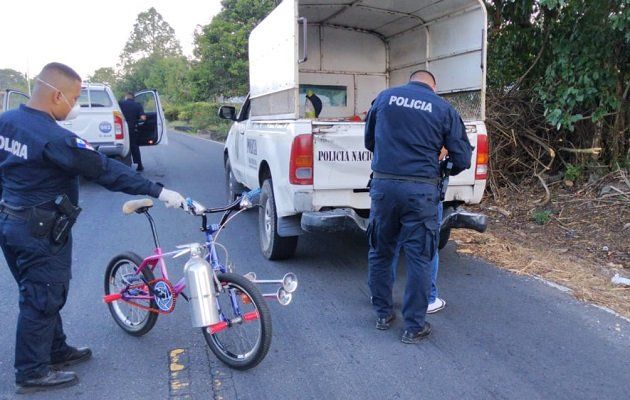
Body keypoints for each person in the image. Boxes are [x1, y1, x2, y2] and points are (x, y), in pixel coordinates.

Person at [0, 62, 186, 394]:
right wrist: (158, 191)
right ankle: (31, 371)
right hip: (40, 229)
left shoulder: (6, 122)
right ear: (56, 95)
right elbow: (104, 169)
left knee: (39, 291)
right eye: (73, 99)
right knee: (43, 296)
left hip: (12, 221)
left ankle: (54, 349)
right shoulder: (54, 137)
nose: (74, 107)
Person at [364, 70, 471, 344]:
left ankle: (383, 314)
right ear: (433, 87)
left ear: (411, 81)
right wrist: (442, 167)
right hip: (421, 191)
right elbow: (462, 157)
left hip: (384, 187)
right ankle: (413, 326)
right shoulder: (442, 108)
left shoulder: (384, 98)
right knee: (419, 257)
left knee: (381, 250)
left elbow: (369, 141)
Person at [391, 148, 449, 314]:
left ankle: (382, 295)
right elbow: (458, 151)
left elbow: (372, 141)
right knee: (426, 245)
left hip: (390, 181)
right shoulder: (440, 120)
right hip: (425, 185)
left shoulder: (387, 120)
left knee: (389, 240)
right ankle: (427, 299)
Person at [118, 92, 146, 171]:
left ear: (126, 97)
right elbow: (143, 118)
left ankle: (125, 164)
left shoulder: (120, 103)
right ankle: (139, 165)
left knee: (123, 145)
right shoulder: (137, 105)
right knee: (134, 146)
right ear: (133, 98)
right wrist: (137, 120)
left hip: (121, 129)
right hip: (132, 128)